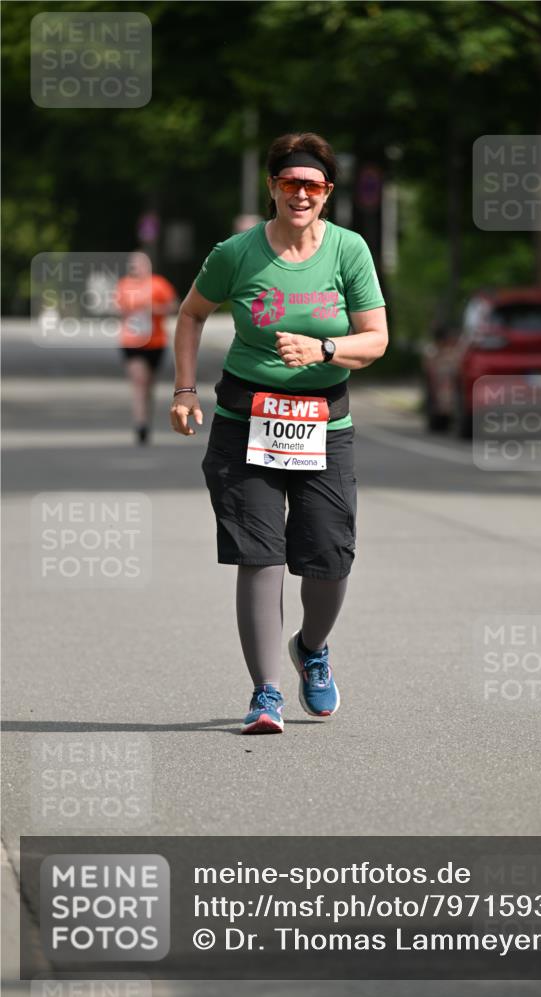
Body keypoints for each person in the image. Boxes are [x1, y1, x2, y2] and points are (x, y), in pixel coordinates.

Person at [170, 132, 388, 734]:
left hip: (324, 421)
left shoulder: (348, 252)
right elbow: (191, 315)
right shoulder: (236, 253)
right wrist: (185, 389)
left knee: (328, 559)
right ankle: (265, 693)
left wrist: (324, 346)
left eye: (311, 185)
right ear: (271, 187)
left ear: (327, 194)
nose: (300, 194)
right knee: (258, 555)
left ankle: (311, 649)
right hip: (246, 421)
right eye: (289, 183)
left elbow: (376, 340)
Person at [115, 251, 179, 445]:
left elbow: (174, 305)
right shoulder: (124, 285)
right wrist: (130, 310)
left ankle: (146, 420)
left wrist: (155, 309)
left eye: (141, 265)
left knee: (149, 385)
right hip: (132, 342)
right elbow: (116, 308)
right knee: (139, 381)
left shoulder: (158, 284)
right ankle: (140, 424)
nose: (137, 269)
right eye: (134, 265)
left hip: (156, 342)